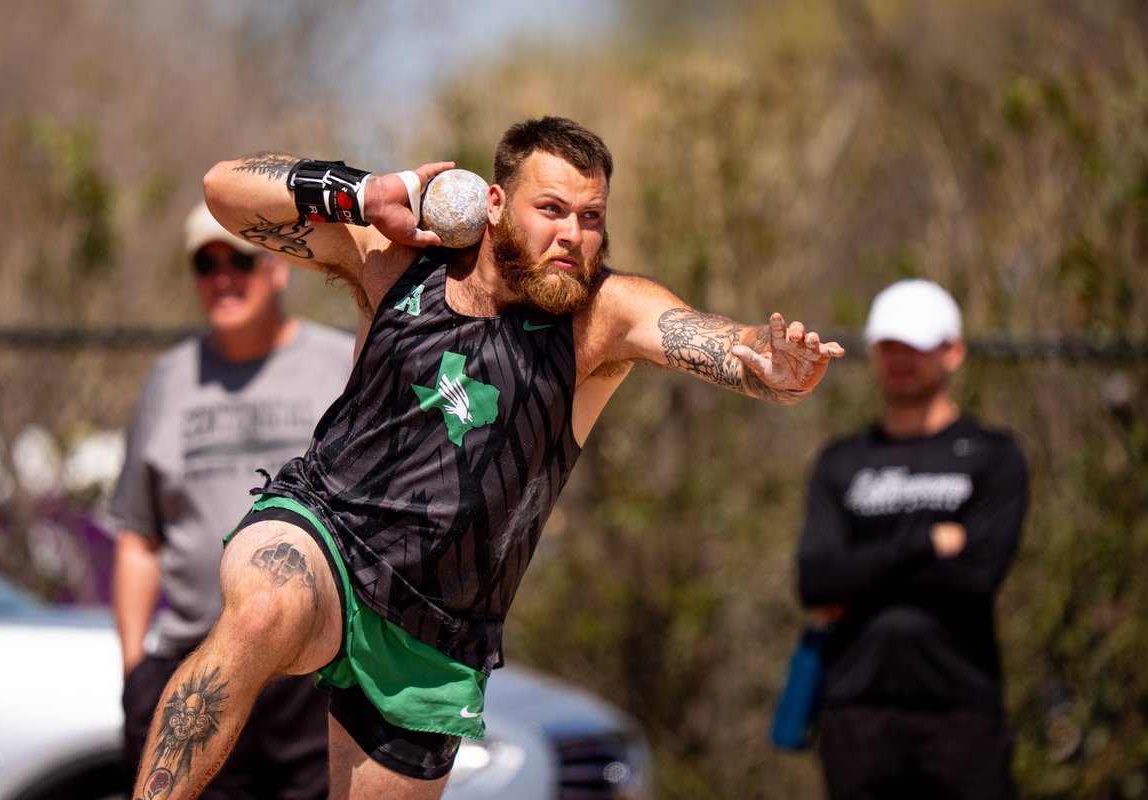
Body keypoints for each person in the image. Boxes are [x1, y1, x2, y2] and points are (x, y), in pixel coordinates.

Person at [131, 115, 845, 800]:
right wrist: (361, 191)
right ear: (496, 203)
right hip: (326, 537)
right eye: (553, 209)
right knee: (262, 608)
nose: (572, 235)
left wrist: (767, 367)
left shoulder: (600, 317)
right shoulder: (398, 262)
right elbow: (224, 189)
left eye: (591, 217)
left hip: (436, 626)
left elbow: (706, 336)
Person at [111, 202, 357, 798]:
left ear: (278, 268)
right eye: (206, 262)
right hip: (196, 667)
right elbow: (139, 537)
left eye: (240, 260)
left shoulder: (343, 361)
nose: (223, 276)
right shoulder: (170, 378)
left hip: (312, 674)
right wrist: (136, 669)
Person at [795, 278, 1028, 799]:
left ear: (953, 351)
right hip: (857, 706)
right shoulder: (841, 462)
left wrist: (860, 576)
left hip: (961, 705)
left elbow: (975, 579)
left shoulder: (994, 456)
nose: (901, 360)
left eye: (916, 347)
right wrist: (924, 543)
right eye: (889, 347)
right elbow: (816, 580)